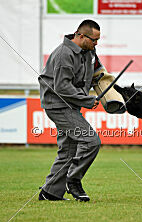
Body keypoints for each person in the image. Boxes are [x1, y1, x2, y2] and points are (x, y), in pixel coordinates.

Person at [38, 19, 103, 202]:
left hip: (70, 105)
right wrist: (86, 100)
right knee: (91, 141)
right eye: (94, 40)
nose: (96, 44)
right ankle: (73, 180)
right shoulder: (63, 54)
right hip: (58, 105)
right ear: (80, 36)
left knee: (68, 150)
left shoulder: (88, 52)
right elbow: (62, 87)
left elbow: (96, 72)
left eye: (98, 40)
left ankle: (50, 192)